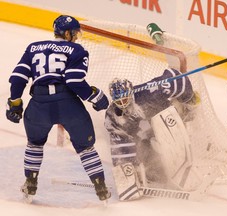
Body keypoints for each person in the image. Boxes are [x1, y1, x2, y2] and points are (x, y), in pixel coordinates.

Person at [6, 15, 111, 203]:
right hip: (68, 104)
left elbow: (17, 79)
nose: (77, 37)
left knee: (35, 144)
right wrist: (96, 96)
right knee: (86, 148)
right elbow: (74, 80)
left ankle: (30, 184)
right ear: (68, 33)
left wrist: (15, 103)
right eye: (75, 33)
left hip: (39, 105)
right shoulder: (76, 50)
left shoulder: (33, 48)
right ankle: (100, 188)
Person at [104, 68, 198, 201]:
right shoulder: (113, 116)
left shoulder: (149, 91)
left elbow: (175, 76)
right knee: (143, 147)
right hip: (147, 130)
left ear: (131, 93)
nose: (123, 104)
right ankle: (156, 173)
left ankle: (184, 166)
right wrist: (129, 169)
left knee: (163, 137)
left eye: (125, 99)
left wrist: (188, 99)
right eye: (119, 101)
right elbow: (120, 144)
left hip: (169, 116)